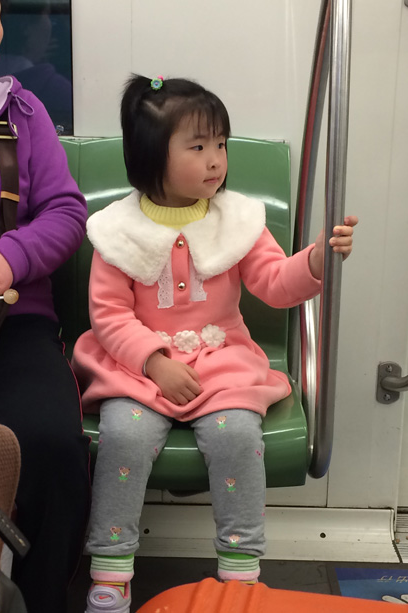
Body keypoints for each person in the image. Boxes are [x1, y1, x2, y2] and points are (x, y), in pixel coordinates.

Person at [71, 74, 358, 613]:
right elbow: (109, 315)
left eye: (221, 145)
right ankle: (111, 571)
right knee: (123, 437)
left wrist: (316, 260)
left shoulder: (238, 220)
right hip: (139, 366)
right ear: (151, 156)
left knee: (237, 435)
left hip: (220, 360)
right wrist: (154, 362)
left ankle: (240, 571)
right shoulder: (117, 231)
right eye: (198, 147)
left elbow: (275, 282)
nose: (216, 161)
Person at [0, 1, 90, 612]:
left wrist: (9, 258)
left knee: (52, 444)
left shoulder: (23, 112)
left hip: (12, 322)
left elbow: (66, 213)